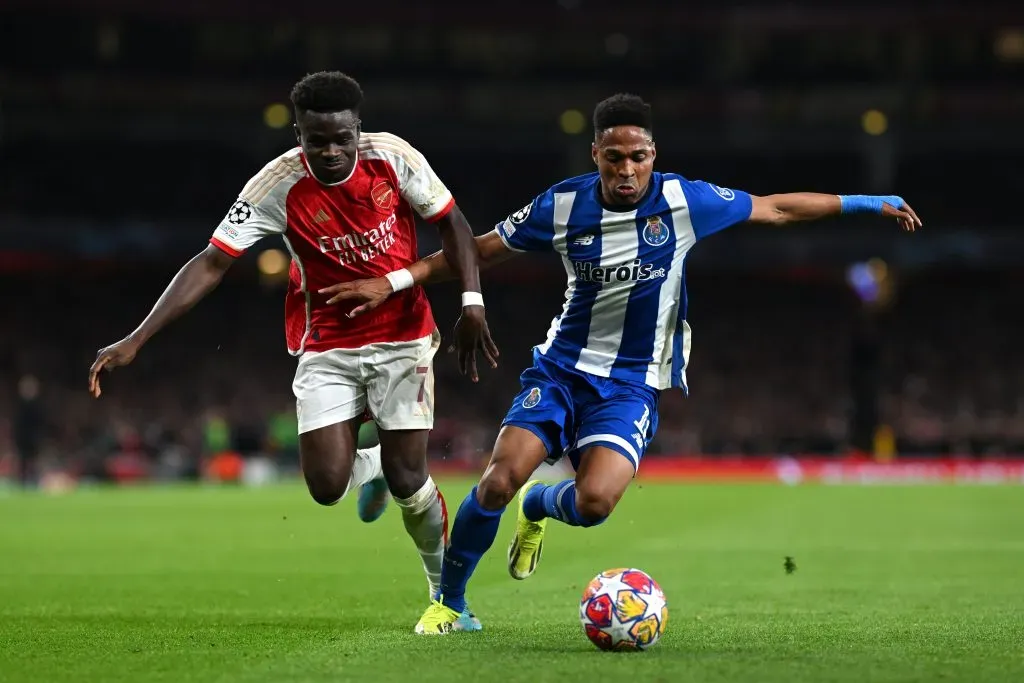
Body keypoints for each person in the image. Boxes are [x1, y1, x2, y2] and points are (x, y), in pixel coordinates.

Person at [319, 93, 922, 634]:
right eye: (614, 158)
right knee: (499, 479)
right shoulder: (562, 205)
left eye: (638, 156)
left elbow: (777, 209)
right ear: (596, 155)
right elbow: (477, 252)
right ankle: (451, 602)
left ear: (653, 155)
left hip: (630, 384)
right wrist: (398, 281)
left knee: (593, 504)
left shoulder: (684, 201)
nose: (627, 170)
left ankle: (539, 508)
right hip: (559, 371)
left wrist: (869, 201)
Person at [88, 71, 497, 621]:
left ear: (358, 129)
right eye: (315, 139)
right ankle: (367, 465)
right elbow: (211, 263)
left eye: (340, 138)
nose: (329, 151)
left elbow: (454, 224)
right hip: (325, 340)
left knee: (410, 479)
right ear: (298, 133)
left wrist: (471, 301)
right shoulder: (275, 185)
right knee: (327, 487)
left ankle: (446, 598)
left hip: (402, 333)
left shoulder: (394, 158)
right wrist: (137, 338)